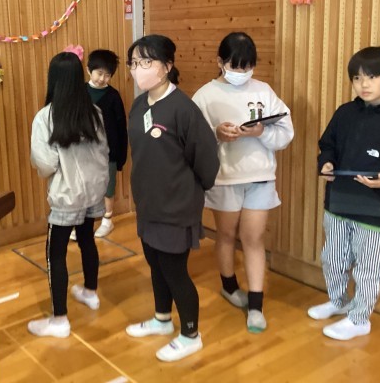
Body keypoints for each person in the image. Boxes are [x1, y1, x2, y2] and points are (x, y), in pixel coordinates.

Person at [309, 46, 380, 340]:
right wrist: (326, 163)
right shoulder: (345, 112)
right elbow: (327, 144)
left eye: (372, 77)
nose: (364, 85)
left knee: (368, 268)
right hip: (339, 202)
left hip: (377, 209)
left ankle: (360, 320)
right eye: (357, 78)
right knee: (332, 258)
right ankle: (338, 301)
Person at [125, 34, 219, 362]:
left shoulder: (184, 109)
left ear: (166, 66)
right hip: (149, 203)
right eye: (134, 63)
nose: (138, 69)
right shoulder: (139, 105)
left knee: (174, 270)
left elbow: (206, 161)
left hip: (177, 206)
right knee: (155, 263)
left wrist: (189, 192)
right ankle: (162, 319)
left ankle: (191, 334)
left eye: (146, 62)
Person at [192, 32, 294, 333]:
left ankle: (256, 305)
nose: (242, 72)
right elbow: (192, 140)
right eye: (235, 66)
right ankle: (229, 286)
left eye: (247, 66)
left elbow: (285, 133)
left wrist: (262, 132)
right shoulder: (205, 95)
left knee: (253, 238)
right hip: (225, 178)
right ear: (220, 62)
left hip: (260, 176)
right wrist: (217, 134)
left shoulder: (263, 91)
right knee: (225, 235)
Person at [28, 51, 109, 338]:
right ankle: (90, 292)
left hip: (66, 195)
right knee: (87, 240)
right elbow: (103, 153)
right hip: (93, 192)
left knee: (56, 253)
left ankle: (59, 319)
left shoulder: (46, 117)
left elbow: (45, 163)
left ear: (53, 79)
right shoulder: (94, 112)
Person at [71, 49, 128, 240]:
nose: (102, 78)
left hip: (107, 152)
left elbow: (121, 127)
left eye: (107, 75)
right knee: (83, 187)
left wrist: (120, 156)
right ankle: (81, 224)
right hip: (82, 151)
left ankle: (107, 220)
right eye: (99, 73)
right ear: (89, 70)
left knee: (107, 188)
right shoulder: (79, 93)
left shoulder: (113, 96)